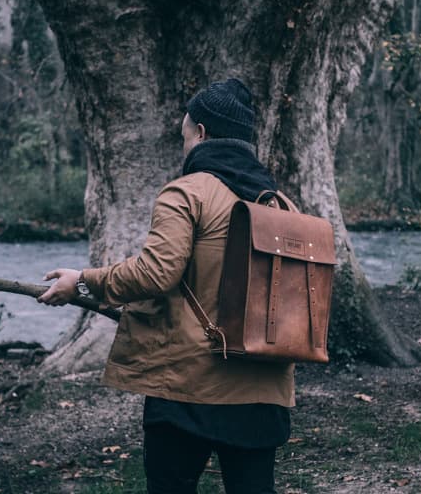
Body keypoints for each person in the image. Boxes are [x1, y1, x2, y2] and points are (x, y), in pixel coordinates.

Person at [38, 78, 293, 494]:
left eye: (185, 135)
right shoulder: (280, 204)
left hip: (188, 388)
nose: (184, 146)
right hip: (264, 387)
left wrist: (82, 282)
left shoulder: (188, 192)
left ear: (202, 134)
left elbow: (156, 273)